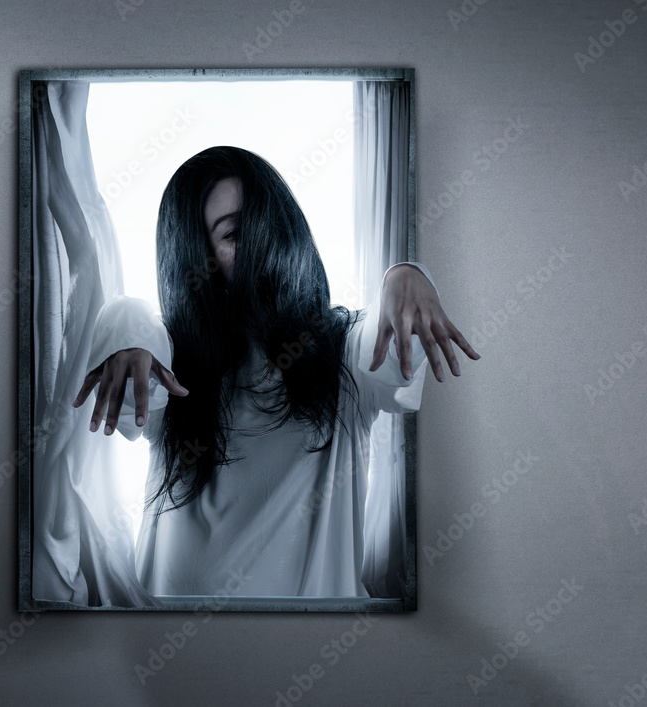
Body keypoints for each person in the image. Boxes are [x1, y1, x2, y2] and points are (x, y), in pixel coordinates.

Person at [71, 146, 479, 598]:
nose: (260, 246)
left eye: (263, 223)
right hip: (168, 647)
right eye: (234, 235)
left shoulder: (344, 353)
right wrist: (125, 324)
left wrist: (405, 276)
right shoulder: (172, 371)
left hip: (308, 647)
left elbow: (400, 341)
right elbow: (133, 383)